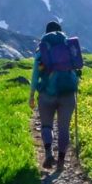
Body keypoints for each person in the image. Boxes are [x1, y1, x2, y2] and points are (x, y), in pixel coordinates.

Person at [27, 21, 81, 169]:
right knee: (64, 127)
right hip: (68, 93)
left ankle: (48, 154)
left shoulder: (43, 48)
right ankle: (61, 161)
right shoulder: (69, 46)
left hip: (47, 93)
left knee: (46, 125)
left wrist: (32, 95)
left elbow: (35, 73)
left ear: (46, 32)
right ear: (61, 31)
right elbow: (77, 69)